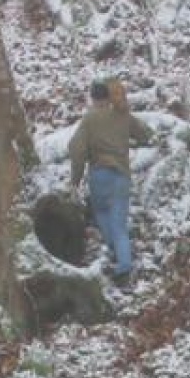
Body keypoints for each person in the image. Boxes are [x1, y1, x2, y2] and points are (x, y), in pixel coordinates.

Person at [69, 79, 152, 285]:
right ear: (108, 97)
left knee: (101, 214)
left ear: (93, 98)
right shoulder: (123, 115)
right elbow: (146, 133)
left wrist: (75, 181)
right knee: (120, 224)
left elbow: (77, 150)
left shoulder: (89, 120)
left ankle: (117, 256)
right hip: (121, 176)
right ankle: (124, 265)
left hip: (99, 175)